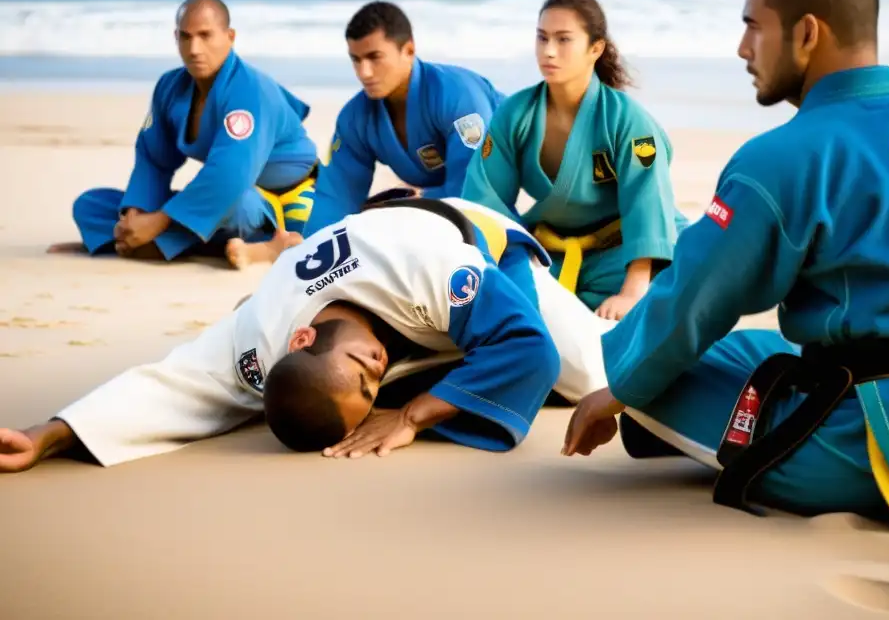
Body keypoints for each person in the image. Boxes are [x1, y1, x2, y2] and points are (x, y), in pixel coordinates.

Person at [562, 0, 889, 536]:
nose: (742, 48)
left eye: (754, 26)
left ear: (807, 33)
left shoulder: (779, 159)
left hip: (878, 449)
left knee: (652, 374)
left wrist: (617, 390)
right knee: (735, 351)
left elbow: (695, 297)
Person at [1, 197, 613, 473]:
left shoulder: (420, 263)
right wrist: (50, 434)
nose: (373, 364)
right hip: (407, 321)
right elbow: (173, 383)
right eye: (374, 384)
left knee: (592, 372)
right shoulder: (261, 335)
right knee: (223, 381)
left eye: (361, 368)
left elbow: (528, 346)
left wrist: (412, 415)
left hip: (476, 246)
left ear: (304, 343)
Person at [461, 0, 687, 321]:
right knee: (505, 308)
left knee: (662, 306)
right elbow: (484, 199)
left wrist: (633, 290)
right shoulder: (515, 114)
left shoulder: (627, 119)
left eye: (563, 40)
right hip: (552, 252)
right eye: (542, 38)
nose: (549, 51)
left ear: (595, 48)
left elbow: (647, 198)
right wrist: (508, 257)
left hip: (629, 251)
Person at [47, 0, 319, 268]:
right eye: (186, 37)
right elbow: (153, 160)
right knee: (89, 205)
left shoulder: (249, 91)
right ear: (175, 37)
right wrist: (135, 215)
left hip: (277, 198)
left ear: (230, 36)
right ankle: (153, 242)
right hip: (218, 198)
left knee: (238, 205)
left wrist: (158, 221)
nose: (195, 49)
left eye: (205, 36)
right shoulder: (170, 86)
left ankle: (149, 243)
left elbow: (229, 175)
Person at [300, 1, 506, 237]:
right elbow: (336, 198)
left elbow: (476, 191)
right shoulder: (355, 118)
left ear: (408, 50)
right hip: (451, 201)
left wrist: (411, 204)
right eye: (356, 59)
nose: (364, 72)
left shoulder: (457, 95)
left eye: (374, 57)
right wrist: (311, 249)